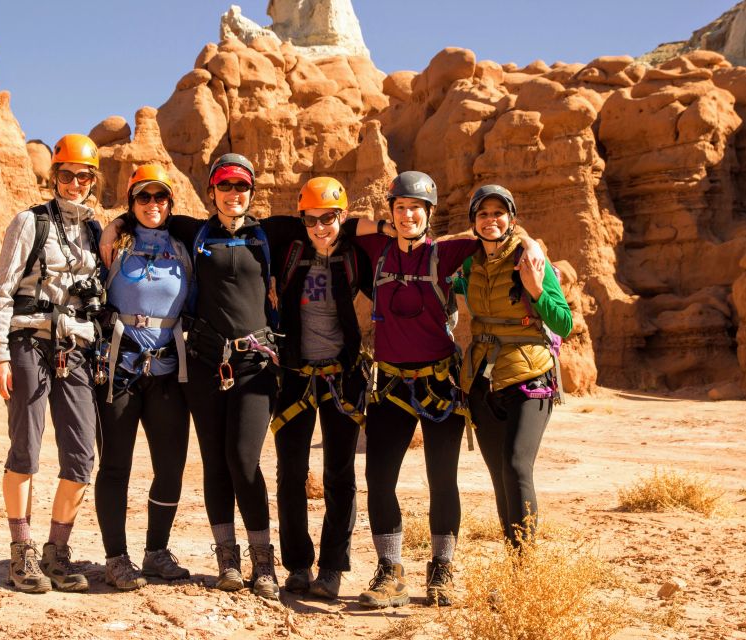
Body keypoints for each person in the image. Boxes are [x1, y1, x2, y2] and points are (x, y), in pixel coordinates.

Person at [351, 171, 545, 609]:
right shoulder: (377, 248)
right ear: (392, 211)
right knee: (379, 478)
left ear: (430, 214)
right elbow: (346, 225)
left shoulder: (448, 251)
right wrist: (384, 226)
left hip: (440, 382)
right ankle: (390, 570)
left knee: (443, 479)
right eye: (400, 208)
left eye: (416, 208)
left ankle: (442, 570)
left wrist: (532, 244)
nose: (408, 215)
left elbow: (499, 229)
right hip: (390, 383)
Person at [100, 153, 282, 599]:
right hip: (179, 366)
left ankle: (259, 562)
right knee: (179, 465)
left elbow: (340, 229)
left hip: (224, 366)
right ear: (211, 192)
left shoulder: (266, 232)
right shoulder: (186, 231)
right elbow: (138, 218)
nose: (233, 194)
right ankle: (217, 562)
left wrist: (393, 225)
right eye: (225, 186)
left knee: (233, 462)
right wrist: (114, 224)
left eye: (241, 187)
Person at [0, 133, 103, 593]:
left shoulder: (96, 231)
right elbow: (1, 290)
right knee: (26, 451)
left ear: (94, 180)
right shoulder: (29, 222)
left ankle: (57, 553)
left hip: (76, 352)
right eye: (67, 174)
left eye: (84, 176)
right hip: (30, 345)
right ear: (54, 176)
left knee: (81, 456)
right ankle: (22, 554)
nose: (75, 183)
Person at [270, 177, 376, 600]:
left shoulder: (354, 257)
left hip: (343, 376)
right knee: (290, 475)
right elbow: (258, 224)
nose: (319, 227)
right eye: (311, 219)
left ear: (342, 217)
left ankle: (332, 567)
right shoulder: (291, 249)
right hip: (295, 374)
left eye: (329, 218)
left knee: (339, 474)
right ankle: (297, 565)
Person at [455, 184, 572, 550]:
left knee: (517, 467)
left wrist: (536, 289)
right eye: (483, 214)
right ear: (474, 221)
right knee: (499, 475)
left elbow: (564, 323)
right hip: (482, 381)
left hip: (529, 376)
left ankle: (525, 570)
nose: (491, 220)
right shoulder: (469, 263)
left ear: (512, 218)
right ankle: (514, 564)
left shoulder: (529, 259)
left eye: (498, 213)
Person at [94, 163, 193, 591]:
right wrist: (115, 224)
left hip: (169, 368)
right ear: (131, 202)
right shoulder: (116, 243)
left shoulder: (184, 244)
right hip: (121, 367)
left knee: (170, 467)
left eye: (160, 197)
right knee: (115, 465)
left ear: (171, 203)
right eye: (143, 197)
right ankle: (116, 558)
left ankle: (156, 551)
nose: (152, 205)